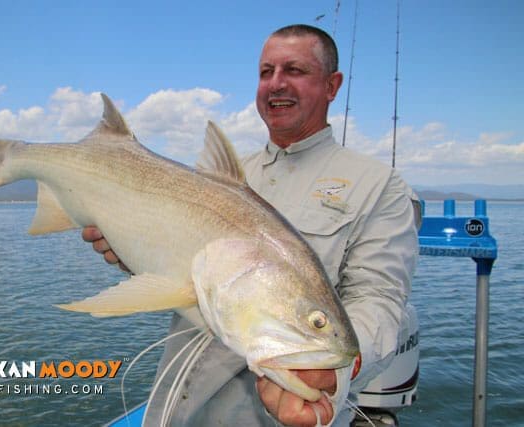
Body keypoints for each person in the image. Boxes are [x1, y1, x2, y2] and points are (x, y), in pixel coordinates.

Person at [83, 24, 419, 426]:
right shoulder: (216, 177)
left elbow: (378, 297)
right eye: (266, 73)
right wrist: (129, 253)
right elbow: (176, 266)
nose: (276, 84)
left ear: (332, 86)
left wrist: (332, 370)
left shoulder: (379, 186)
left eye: (294, 70)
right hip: (175, 407)